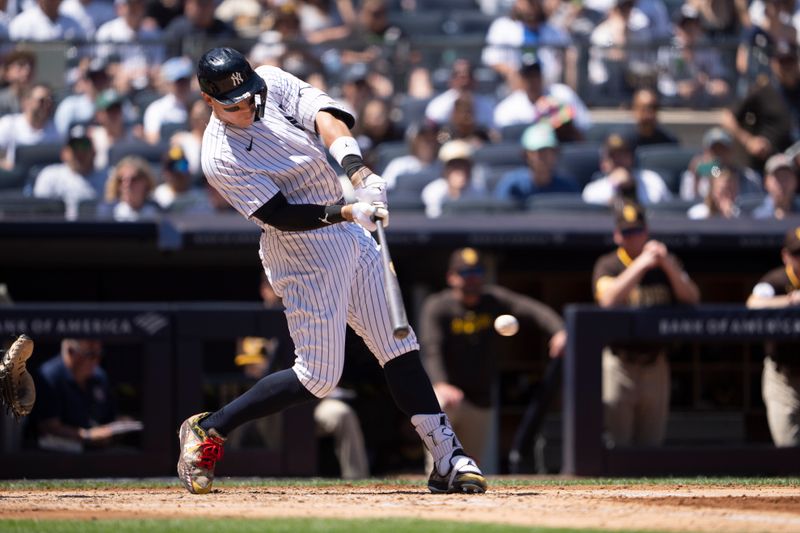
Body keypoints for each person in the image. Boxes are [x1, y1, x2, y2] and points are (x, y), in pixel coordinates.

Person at [176, 47, 487, 495]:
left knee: (398, 344)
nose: (246, 108)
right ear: (208, 101)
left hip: (348, 233)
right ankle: (209, 428)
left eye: (249, 97)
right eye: (233, 104)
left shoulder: (271, 82)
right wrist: (346, 210)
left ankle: (448, 457)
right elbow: (280, 214)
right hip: (300, 251)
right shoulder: (219, 156)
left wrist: (358, 173)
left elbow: (325, 115)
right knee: (318, 376)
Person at [419, 247, 566, 469]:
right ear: (452, 277)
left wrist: (559, 330)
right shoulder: (438, 306)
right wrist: (441, 383)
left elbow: (532, 309)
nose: (472, 279)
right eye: (465, 273)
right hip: (448, 397)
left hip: (481, 399)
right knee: (440, 457)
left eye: (477, 272)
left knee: (471, 464)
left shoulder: (493, 300)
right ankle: (435, 482)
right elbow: (431, 348)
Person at [592, 201, 700, 447]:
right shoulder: (608, 264)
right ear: (618, 235)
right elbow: (607, 300)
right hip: (620, 363)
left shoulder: (666, 263)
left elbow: (692, 297)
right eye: (628, 232)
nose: (635, 237)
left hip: (656, 363)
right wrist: (640, 265)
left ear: (647, 231)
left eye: (639, 231)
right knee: (617, 443)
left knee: (651, 444)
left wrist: (668, 266)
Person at [31, 338, 142, 452]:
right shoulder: (49, 376)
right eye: (90, 354)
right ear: (70, 351)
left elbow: (109, 417)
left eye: (99, 354)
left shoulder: (99, 376)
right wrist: (87, 435)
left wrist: (121, 423)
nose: (96, 360)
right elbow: (48, 427)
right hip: (58, 454)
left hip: (98, 451)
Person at [746, 226, 800, 447]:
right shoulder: (775, 280)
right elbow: (752, 304)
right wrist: (790, 301)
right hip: (783, 376)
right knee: (788, 447)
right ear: (785, 256)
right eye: (798, 254)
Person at [722, 39, 800, 173]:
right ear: (773, 64)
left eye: (790, 61)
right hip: (768, 166)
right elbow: (727, 117)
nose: (787, 67)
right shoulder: (763, 90)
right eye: (782, 62)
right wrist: (749, 141)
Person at [493, 122, 579, 208]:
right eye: (540, 152)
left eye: (550, 151)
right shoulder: (512, 186)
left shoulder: (568, 186)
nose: (546, 156)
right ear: (526, 155)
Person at [32, 124, 107, 220]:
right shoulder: (49, 176)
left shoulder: (108, 178)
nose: (80, 153)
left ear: (94, 151)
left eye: (84, 145)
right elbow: (40, 214)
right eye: (75, 147)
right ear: (64, 153)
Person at [582, 133, 672, 206]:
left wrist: (631, 185)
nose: (618, 160)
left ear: (632, 158)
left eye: (623, 154)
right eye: (612, 156)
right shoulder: (592, 191)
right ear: (603, 164)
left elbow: (669, 213)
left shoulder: (652, 180)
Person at [421, 139, 488, 218]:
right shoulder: (433, 192)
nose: (462, 174)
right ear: (445, 170)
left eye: (465, 168)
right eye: (456, 168)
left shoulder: (478, 190)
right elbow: (434, 223)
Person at [753, 152, 799, 219]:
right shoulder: (756, 218)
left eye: (786, 177)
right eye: (778, 177)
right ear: (765, 182)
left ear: (796, 180)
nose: (783, 183)